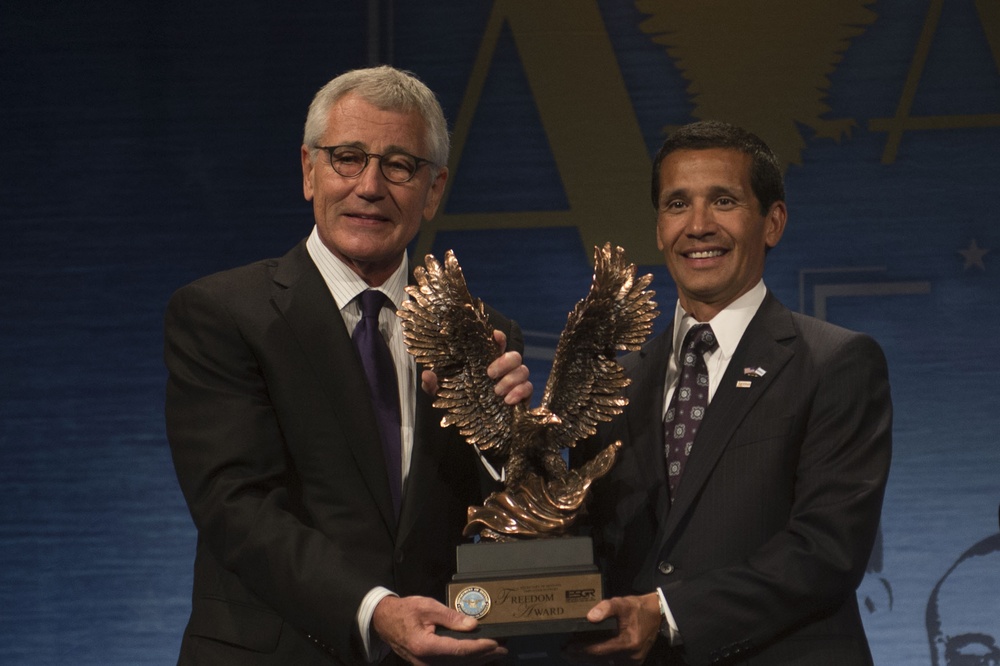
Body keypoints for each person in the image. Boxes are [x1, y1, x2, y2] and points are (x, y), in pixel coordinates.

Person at [164, 66, 531, 665]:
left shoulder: (481, 334)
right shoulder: (223, 315)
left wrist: (503, 441)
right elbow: (235, 506)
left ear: (434, 190)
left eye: (399, 165)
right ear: (309, 171)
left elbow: (494, 519)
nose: (370, 186)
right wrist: (375, 610)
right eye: (348, 158)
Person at [570, 120, 892, 665]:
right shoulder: (612, 383)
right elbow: (584, 541)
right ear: (657, 228)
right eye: (676, 205)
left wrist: (669, 614)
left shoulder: (835, 362)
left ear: (773, 222)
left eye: (723, 201)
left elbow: (826, 550)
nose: (697, 226)